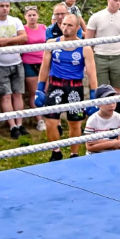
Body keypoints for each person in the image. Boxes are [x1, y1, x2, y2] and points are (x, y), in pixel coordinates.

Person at [35, 14, 98, 161]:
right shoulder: (52, 43)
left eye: (69, 25)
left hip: (74, 86)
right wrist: (39, 89)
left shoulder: (85, 47)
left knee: (75, 123)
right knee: (50, 121)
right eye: (64, 24)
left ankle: (74, 154)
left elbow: (92, 73)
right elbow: (44, 68)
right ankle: (56, 152)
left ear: (77, 28)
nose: (65, 27)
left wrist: (94, 96)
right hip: (55, 85)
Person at [0, 1, 28, 139]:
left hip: (17, 62)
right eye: (2, 6)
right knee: (6, 96)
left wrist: (5, 41)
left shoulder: (15, 20)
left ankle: (20, 124)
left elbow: (24, 38)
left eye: (7, 6)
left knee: (18, 94)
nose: (5, 9)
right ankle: (12, 126)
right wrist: (14, 39)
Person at [85, 0, 120, 92]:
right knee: (100, 88)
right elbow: (88, 42)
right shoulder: (96, 17)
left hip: (119, 57)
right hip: (99, 57)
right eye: (115, 0)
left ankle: (116, 102)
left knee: (117, 88)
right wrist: (87, 62)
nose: (118, 3)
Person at [21, 6, 48, 132]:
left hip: (44, 62)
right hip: (29, 63)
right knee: (34, 92)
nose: (32, 17)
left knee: (45, 91)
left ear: (38, 16)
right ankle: (39, 120)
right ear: (25, 17)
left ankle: (49, 117)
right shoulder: (22, 29)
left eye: (34, 15)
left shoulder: (43, 27)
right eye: (29, 15)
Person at [84, 85, 120, 153]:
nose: (112, 105)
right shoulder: (92, 120)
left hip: (114, 155)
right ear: (98, 103)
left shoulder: (119, 118)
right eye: (107, 102)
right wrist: (112, 143)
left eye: (113, 101)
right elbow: (89, 147)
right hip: (95, 155)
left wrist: (97, 142)